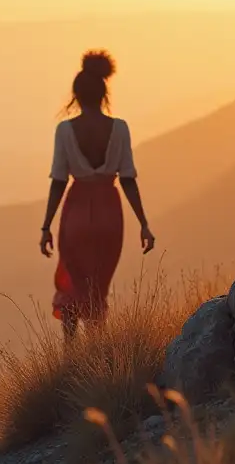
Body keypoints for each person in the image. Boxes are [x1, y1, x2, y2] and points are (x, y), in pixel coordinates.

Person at [38, 50, 155, 338]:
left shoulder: (65, 131)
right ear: (104, 93)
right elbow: (128, 178)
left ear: (75, 95)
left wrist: (46, 226)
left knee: (71, 282)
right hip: (109, 213)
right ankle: (97, 349)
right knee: (98, 288)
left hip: (76, 209)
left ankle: (71, 354)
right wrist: (143, 223)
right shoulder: (120, 129)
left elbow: (58, 181)